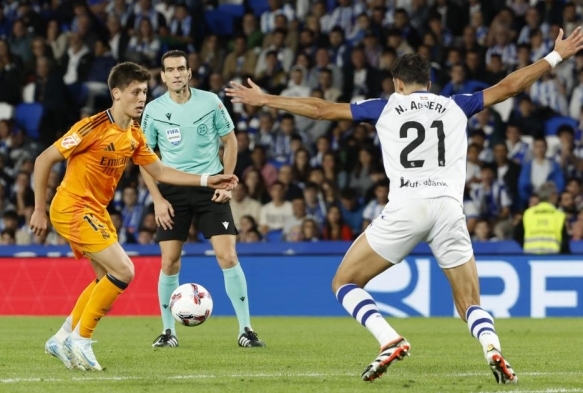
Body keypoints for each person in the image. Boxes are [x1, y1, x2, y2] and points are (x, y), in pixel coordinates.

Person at [226, 27, 583, 384]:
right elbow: (510, 86)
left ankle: (389, 339)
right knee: (469, 301)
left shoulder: (383, 108)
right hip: (448, 208)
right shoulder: (456, 104)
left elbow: (320, 110)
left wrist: (267, 99)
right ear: (428, 82)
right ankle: (492, 347)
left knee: (345, 282)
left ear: (397, 83)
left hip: (407, 207)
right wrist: (556, 56)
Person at [30, 62, 238, 372]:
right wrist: (38, 209)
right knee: (124, 270)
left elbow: (161, 171)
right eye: (135, 92)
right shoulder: (92, 127)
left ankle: (61, 338)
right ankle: (80, 339)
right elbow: (43, 159)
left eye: (144, 92)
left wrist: (209, 179)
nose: (142, 98)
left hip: (95, 212)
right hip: (71, 207)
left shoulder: (135, 135)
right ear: (116, 93)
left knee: (106, 279)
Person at [140, 50, 265, 349]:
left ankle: (246, 329)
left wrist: (229, 180)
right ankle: (168, 331)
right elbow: (144, 158)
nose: (177, 74)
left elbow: (230, 140)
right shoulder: (153, 110)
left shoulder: (210, 101)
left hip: (211, 186)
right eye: (170, 70)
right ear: (163, 76)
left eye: (181, 68)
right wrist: (157, 198)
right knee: (169, 262)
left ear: (190, 72)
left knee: (228, 256)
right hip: (172, 190)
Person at [514, 181, 570, 254]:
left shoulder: (528, 214)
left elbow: (517, 235)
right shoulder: (559, 215)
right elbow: (565, 242)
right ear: (552, 195)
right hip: (553, 258)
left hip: (530, 256)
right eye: (556, 194)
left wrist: (526, 246)